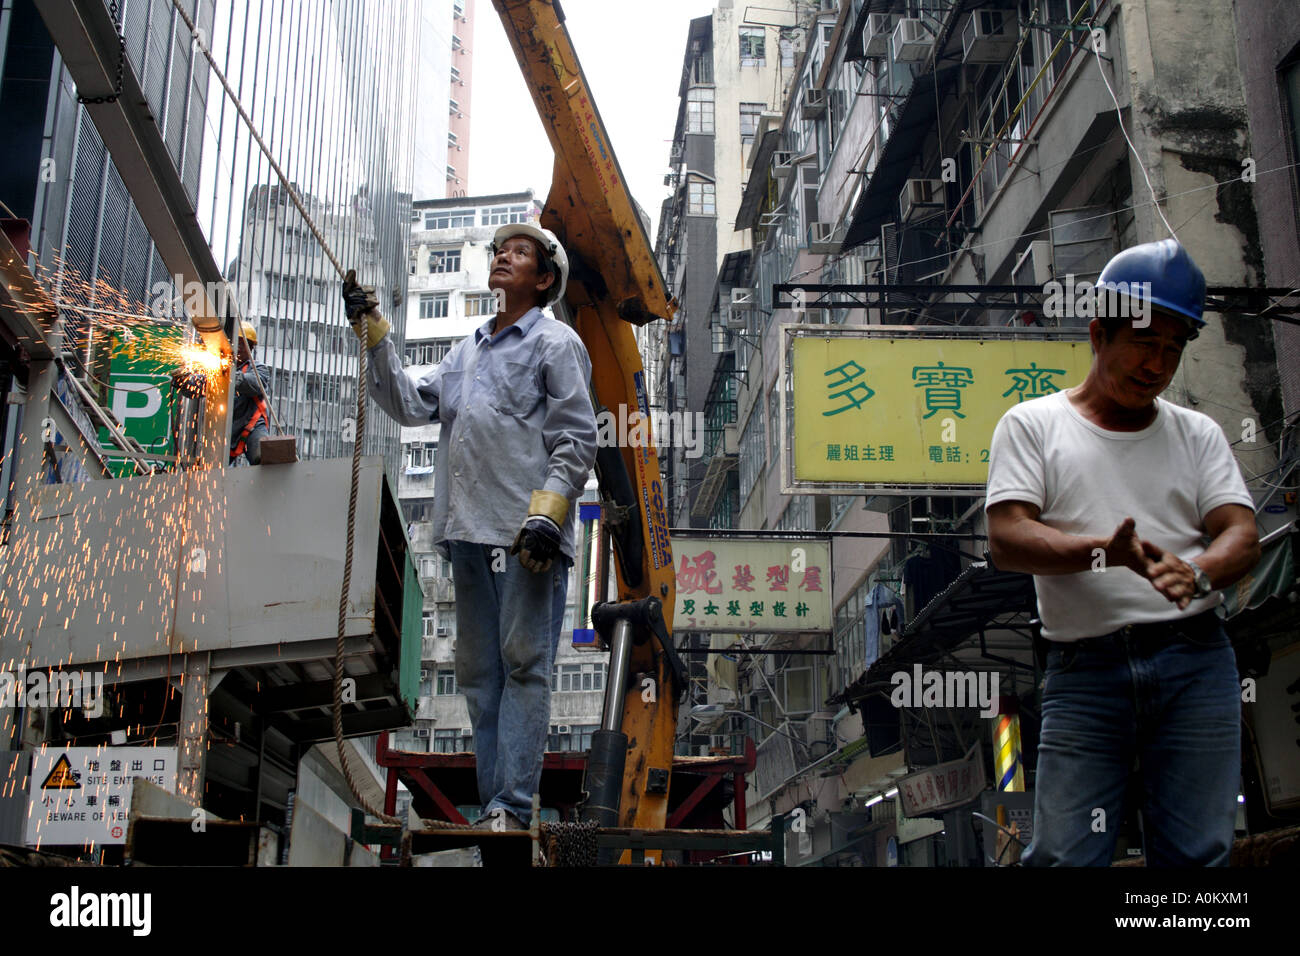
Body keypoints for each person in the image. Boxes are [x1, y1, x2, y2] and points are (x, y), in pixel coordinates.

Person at [985, 238, 1260, 866]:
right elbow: (1007, 538)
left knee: (1197, 857)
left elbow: (1241, 533)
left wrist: (1198, 570)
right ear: (1098, 335)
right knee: (1066, 856)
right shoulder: (1033, 426)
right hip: (1086, 673)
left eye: (1172, 348)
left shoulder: (1199, 434)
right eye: (1143, 342)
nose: (1156, 364)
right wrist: (1104, 554)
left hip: (1196, 659)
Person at [341, 223, 598, 830]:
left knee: (525, 665)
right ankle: (495, 811)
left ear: (544, 279)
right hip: (467, 534)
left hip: (524, 535)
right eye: (501, 250)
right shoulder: (467, 351)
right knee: (481, 677)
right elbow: (406, 401)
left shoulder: (555, 344)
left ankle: (511, 805)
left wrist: (549, 514)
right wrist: (373, 332)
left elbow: (577, 437)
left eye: (521, 252)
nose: (504, 256)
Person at [229, 321, 272, 465]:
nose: (239, 347)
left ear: (251, 347)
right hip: (228, 428)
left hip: (251, 426)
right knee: (207, 467)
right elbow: (199, 386)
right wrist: (184, 382)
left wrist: (230, 376)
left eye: (244, 343)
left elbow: (254, 383)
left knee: (264, 457)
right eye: (237, 342)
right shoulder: (218, 366)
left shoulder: (259, 368)